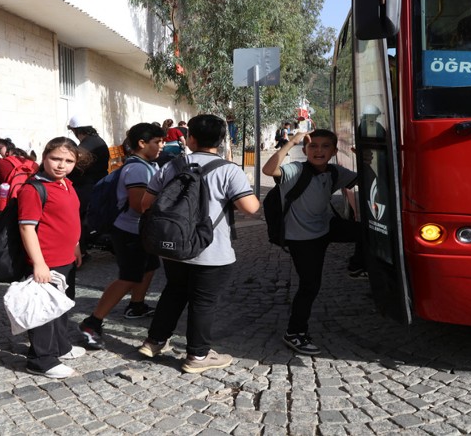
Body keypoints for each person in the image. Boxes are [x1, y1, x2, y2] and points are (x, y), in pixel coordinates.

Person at [137, 114, 260, 373]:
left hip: (175, 247)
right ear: (221, 140)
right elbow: (250, 208)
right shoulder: (229, 170)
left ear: (190, 138)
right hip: (212, 251)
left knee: (173, 292)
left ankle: (154, 341)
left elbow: (145, 205)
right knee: (203, 302)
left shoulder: (170, 166)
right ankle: (198, 356)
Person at [261, 129, 357, 356]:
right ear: (304, 150)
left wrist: (365, 157)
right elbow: (268, 169)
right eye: (313, 146)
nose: (319, 150)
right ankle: (295, 332)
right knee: (310, 285)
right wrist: (291, 142)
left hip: (325, 228)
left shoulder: (335, 172)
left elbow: (363, 179)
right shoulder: (295, 171)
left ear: (334, 152)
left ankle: (357, 265)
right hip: (301, 239)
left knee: (367, 232)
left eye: (325, 146)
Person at [78, 123, 165, 350]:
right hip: (129, 230)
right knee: (128, 276)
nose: (162, 146)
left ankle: (136, 306)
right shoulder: (137, 169)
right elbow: (138, 205)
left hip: (140, 230)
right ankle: (92, 322)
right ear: (142, 143)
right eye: (157, 142)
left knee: (149, 267)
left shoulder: (146, 165)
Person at [19, 137, 92, 378]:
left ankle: (61, 346)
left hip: (65, 258)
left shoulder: (66, 184)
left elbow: (69, 218)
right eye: (56, 159)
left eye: (69, 160)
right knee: (43, 311)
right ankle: (41, 359)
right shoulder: (34, 188)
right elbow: (27, 227)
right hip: (46, 259)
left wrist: (76, 245)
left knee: (60, 306)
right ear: (44, 157)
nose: (62, 165)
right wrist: (39, 263)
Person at [66, 115, 110, 258]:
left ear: (75, 130)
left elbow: (75, 167)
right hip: (96, 183)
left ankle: (80, 252)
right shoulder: (95, 141)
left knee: (76, 219)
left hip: (86, 186)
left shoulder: (87, 145)